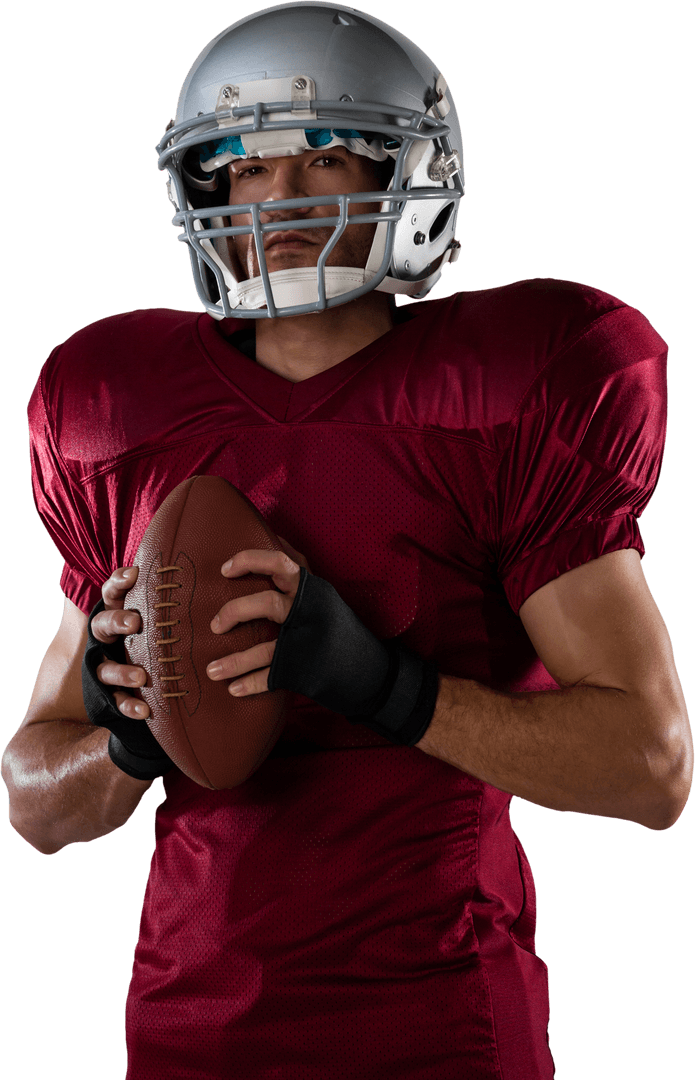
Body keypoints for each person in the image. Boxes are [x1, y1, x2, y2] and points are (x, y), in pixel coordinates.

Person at [1, 3, 692, 1078]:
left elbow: (651, 770)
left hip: (438, 1023)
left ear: (407, 175)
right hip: (189, 1029)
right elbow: (35, 805)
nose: (274, 196)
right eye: (238, 159)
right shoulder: (118, 414)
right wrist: (137, 737)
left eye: (324, 153)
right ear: (203, 185)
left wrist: (381, 683)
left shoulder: (506, 391)